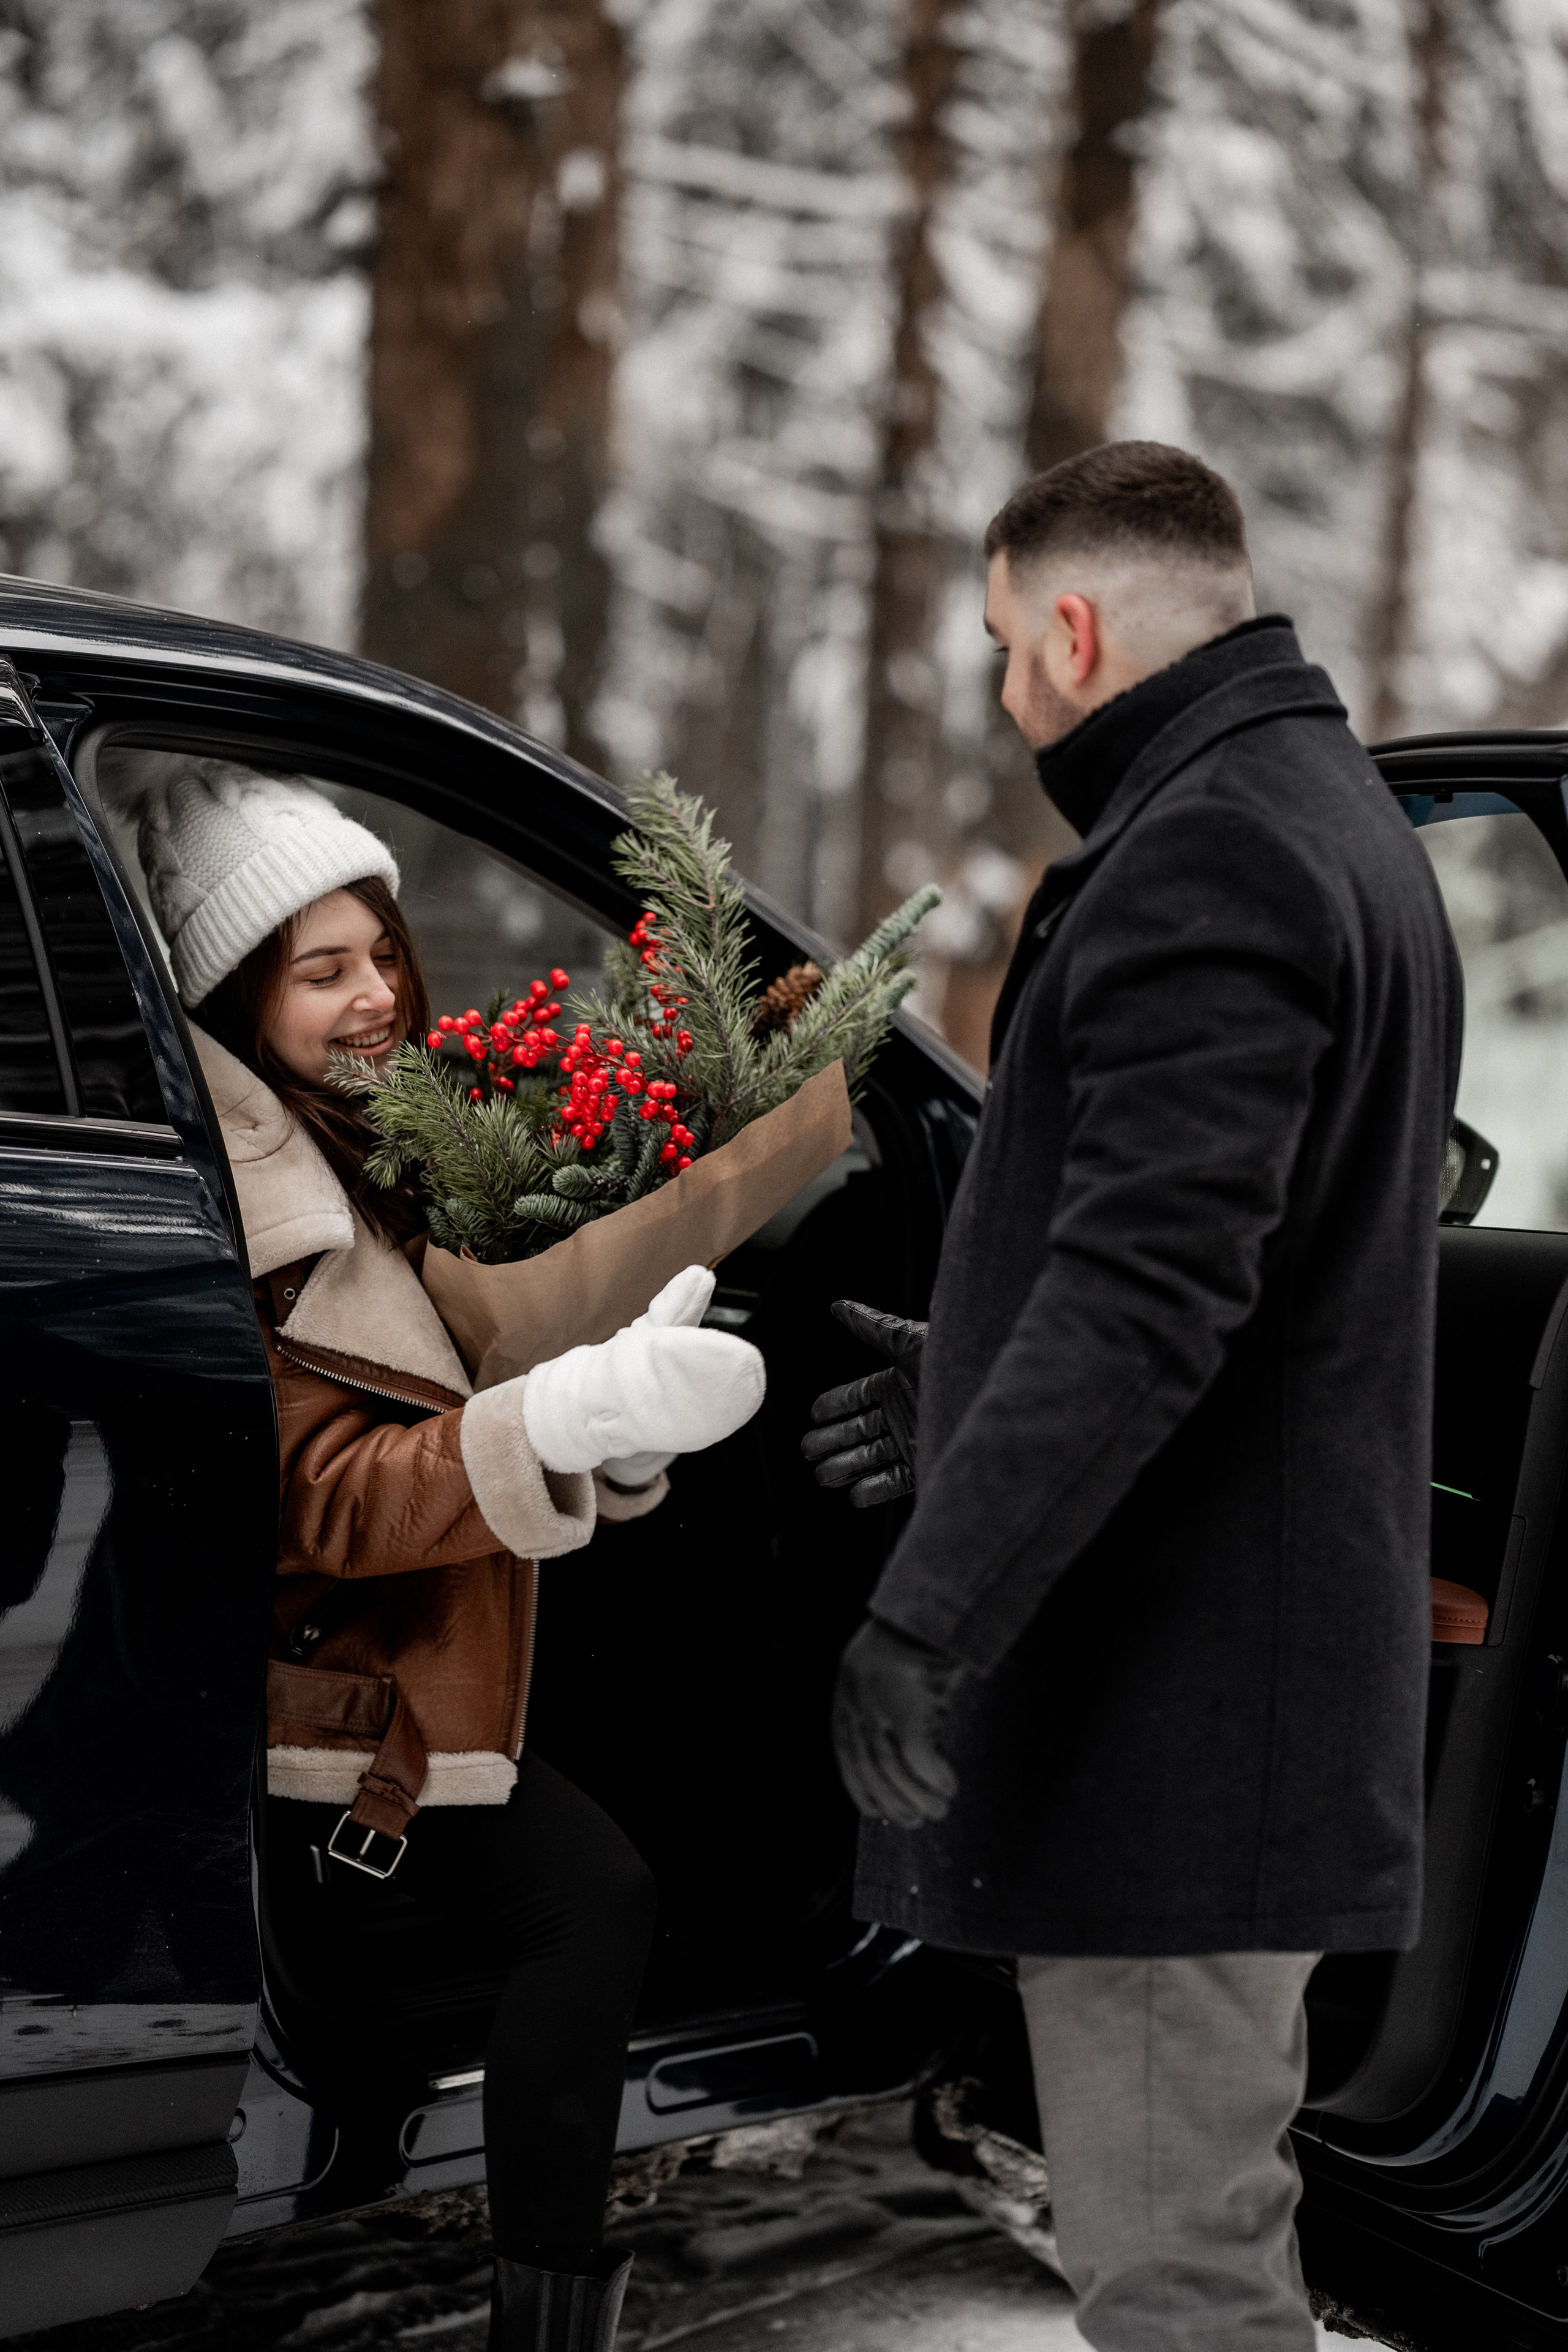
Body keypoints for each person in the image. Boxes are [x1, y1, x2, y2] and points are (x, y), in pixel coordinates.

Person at [802, 443, 1463, 2350]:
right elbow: (1249, 1272)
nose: (1012, 694)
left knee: (1178, 2284)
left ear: (1074, 630)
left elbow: (1152, 1285)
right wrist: (980, 1376)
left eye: (1010, 647)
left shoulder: (1216, 849)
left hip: (1182, 1716)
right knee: (1190, 2251)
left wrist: (928, 1618)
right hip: (1230, 1693)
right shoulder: (1329, 815)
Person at [132, 763, 766, 2352]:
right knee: (592, 1901)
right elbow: (324, 1504)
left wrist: (606, 1436)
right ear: (231, 990)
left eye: (383, 955)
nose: (375, 996)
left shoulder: (367, 1146)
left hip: (398, 1640)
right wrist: (558, 1420)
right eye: (321, 968)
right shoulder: (264, 1202)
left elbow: (460, 1380)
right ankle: (545, 2326)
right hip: (314, 1696)